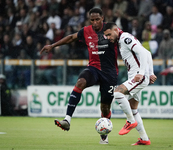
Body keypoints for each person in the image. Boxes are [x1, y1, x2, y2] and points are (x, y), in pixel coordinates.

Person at [40, 8, 119, 144]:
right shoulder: (86, 31)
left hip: (110, 73)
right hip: (93, 68)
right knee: (80, 82)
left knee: (105, 107)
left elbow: (124, 40)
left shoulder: (110, 29)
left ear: (103, 18)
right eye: (92, 20)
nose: (94, 23)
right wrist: (53, 45)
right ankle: (67, 120)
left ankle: (104, 136)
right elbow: (71, 38)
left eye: (97, 19)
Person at [103, 22, 157, 145]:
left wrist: (143, 73)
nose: (108, 38)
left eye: (109, 34)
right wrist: (151, 72)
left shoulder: (125, 38)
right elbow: (147, 53)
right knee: (133, 108)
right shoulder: (121, 40)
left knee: (117, 93)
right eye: (106, 36)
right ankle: (144, 139)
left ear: (116, 30)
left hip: (138, 76)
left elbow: (143, 53)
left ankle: (130, 121)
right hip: (137, 76)